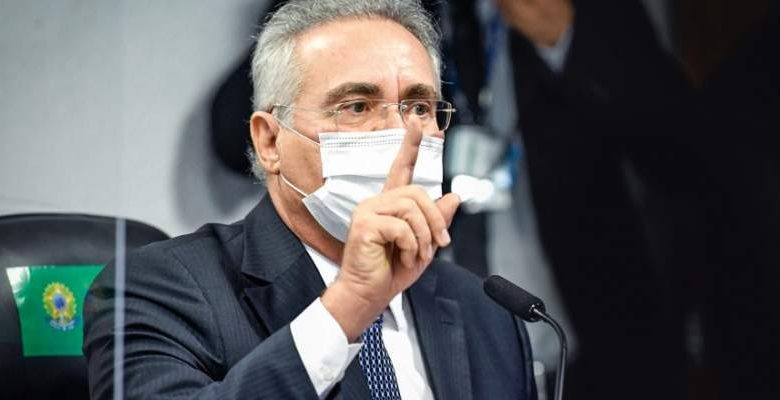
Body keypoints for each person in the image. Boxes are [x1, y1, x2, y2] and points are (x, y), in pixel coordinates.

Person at [83, 1, 538, 399]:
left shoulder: (487, 312)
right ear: (270, 141)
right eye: (357, 107)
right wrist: (350, 305)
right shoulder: (157, 289)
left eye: (419, 108)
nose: (403, 134)